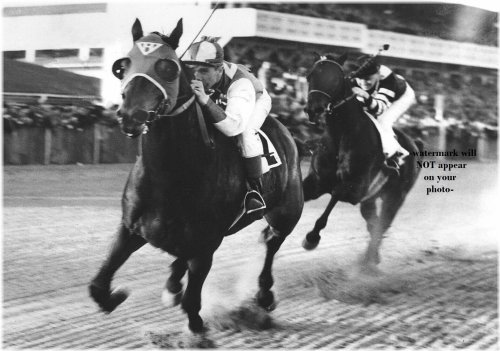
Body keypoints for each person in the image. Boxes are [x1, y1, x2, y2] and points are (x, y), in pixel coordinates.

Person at [183, 38, 272, 218]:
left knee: (245, 132)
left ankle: (254, 192)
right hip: (222, 95)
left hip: (256, 99)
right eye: (193, 70)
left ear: (219, 70)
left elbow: (233, 127)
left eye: (203, 71)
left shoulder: (242, 85)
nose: (197, 77)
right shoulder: (205, 76)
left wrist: (205, 100)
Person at [351, 55, 415, 175]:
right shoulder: (354, 79)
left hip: (402, 97)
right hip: (376, 95)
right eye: (360, 78)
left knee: (383, 120)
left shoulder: (388, 81)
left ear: (378, 74)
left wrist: (366, 96)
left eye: (368, 78)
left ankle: (395, 154)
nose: (364, 82)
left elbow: (379, 109)